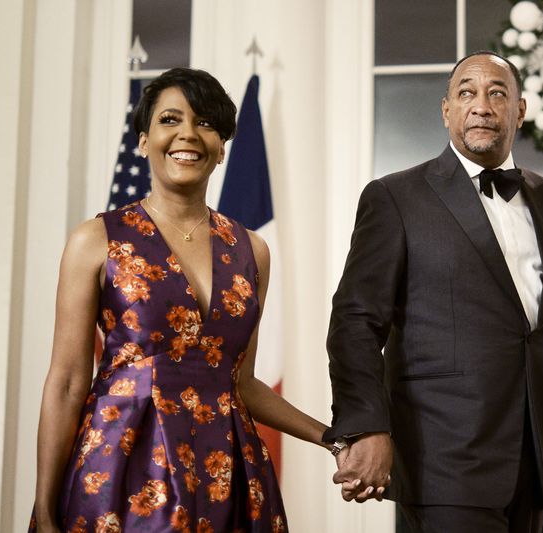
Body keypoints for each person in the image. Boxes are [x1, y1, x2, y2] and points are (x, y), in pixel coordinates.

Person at [30, 67, 329, 532]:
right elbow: (68, 382)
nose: (187, 133)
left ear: (222, 147)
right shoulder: (96, 239)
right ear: (144, 139)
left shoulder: (252, 250)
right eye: (170, 119)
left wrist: (330, 439)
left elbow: (243, 384)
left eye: (205, 122)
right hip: (120, 472)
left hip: (228, 470)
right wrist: (45, 512)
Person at [324, 51, 543, 533]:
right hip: (442, 465)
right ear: (447, 110)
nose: (481, 105)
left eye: (497, 93)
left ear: (520, 110)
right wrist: (367, 426)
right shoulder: (396, 197)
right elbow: (355, 323)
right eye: (467, 92)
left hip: (533, 466)